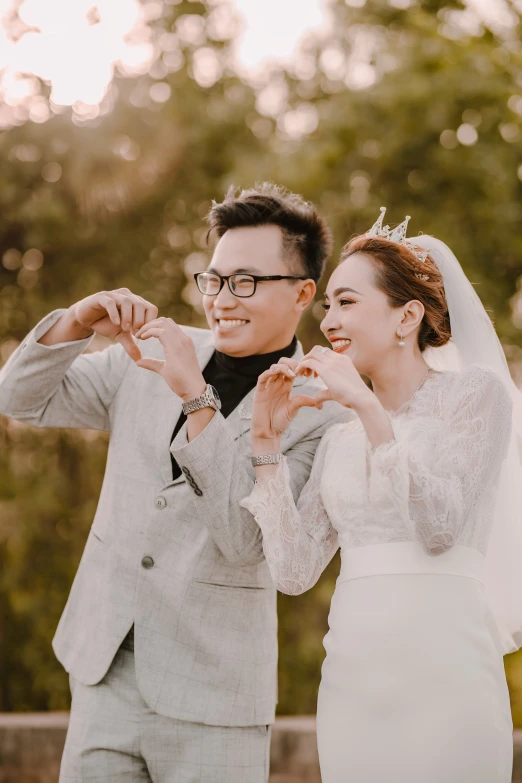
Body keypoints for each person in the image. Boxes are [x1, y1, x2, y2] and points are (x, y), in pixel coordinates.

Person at [0, 183, 350, 783]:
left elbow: (247, 541)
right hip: (101, 669)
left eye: (245, 282)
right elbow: (19, 400)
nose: (220, 299)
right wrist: (78, 320)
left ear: (302, 292)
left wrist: (197, 398)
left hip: (216, 697)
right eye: (212, 280)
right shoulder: (154, 354)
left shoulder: (326, 411)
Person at [240, 208, 522, 783]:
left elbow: (439, 527)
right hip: (354, 682)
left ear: (407, 316)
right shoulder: (337, 437)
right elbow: (294, 571)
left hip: (448, 673)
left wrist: (367, 408)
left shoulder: (477, 397)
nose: (329, 322)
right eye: (328, 306)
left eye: (346, 301)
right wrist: (266, 445)